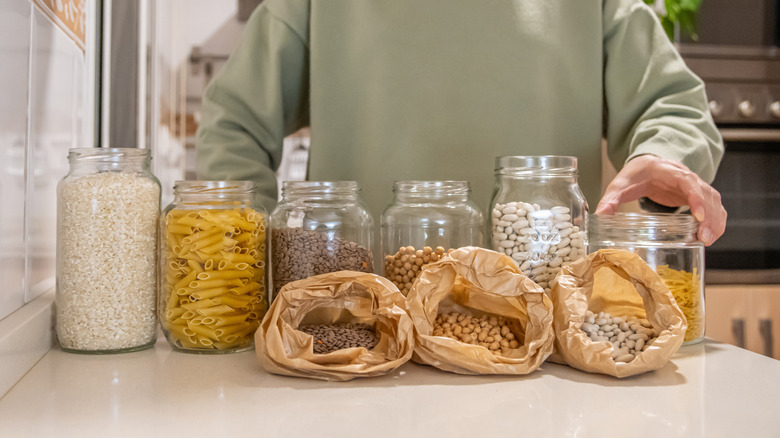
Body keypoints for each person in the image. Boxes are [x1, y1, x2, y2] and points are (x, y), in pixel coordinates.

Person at [196, 0, 727, 246]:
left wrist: (661, 158)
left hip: (544, 325)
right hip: (359, 323)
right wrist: (253, 244)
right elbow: (233, 124)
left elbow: (674, 105)